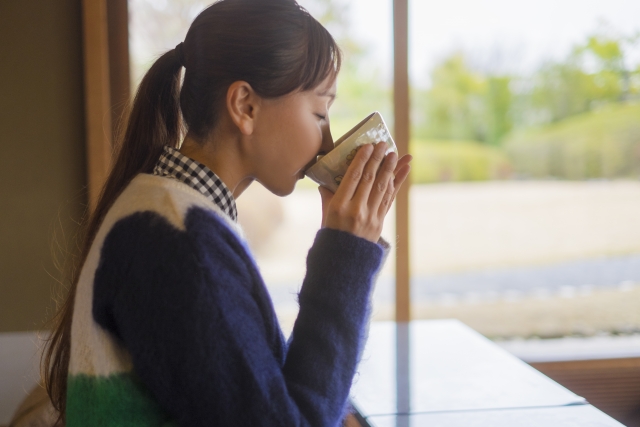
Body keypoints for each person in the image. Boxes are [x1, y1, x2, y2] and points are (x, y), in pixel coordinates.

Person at [42, 0, 411, 425]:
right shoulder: (177, 243)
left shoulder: (176, 215)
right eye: (319, 112)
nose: (327, 143)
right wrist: (345, 257)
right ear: (245, 106)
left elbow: (267, 394)